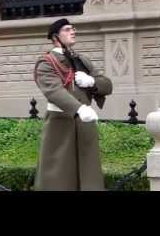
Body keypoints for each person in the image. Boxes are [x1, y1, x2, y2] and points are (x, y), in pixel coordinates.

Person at [33, 18, 113, 191]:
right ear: (56, 36)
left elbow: (107, 85)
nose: (73, 31)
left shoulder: (82, 60)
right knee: (59, 176)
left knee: (88, 174)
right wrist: (79, 108)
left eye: (73, 29)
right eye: (67, 29)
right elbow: (53, 91)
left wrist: (92, 82)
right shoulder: (46, 62)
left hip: (84, 124)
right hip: (60, 123)